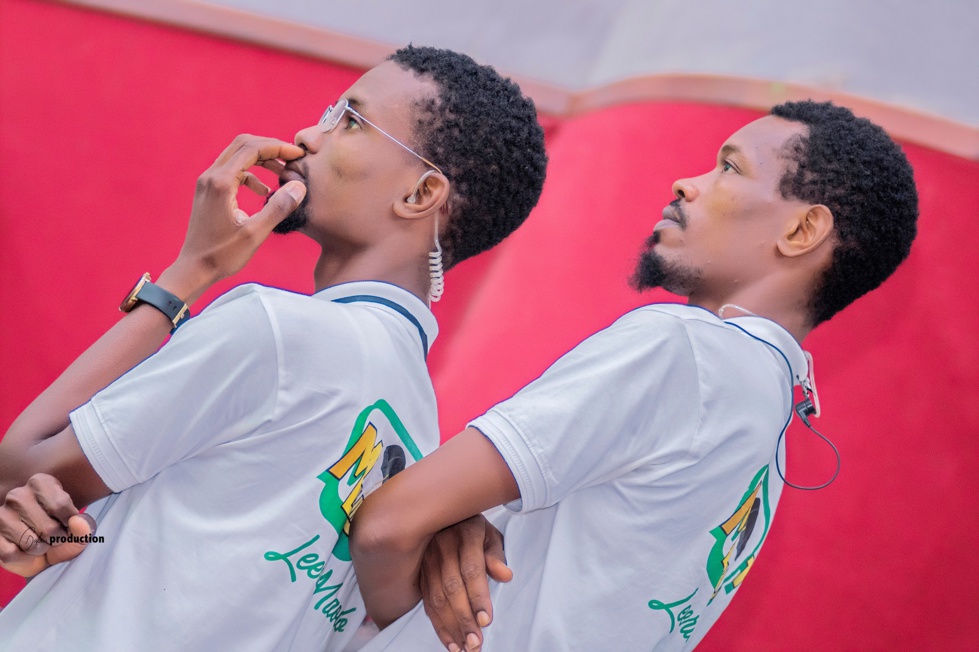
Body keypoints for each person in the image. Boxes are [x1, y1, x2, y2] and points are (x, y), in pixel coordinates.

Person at [0, 45, 547, 651]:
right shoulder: (418, 433)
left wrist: (192, 271)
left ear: (420, 194)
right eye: (329, 113)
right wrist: (61, 539)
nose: (309, 135)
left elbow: (22, 464)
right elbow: (164, 546)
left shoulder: (277, 331)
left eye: (351, 122)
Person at [347, 100, 919, 651]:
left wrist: (416, 622)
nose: (686, 184)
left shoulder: (686, 349)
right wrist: (452, 517)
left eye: (730, 168)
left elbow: (387, 525)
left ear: (801, 231)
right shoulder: (767, 428)